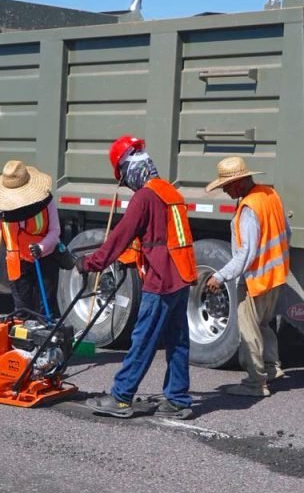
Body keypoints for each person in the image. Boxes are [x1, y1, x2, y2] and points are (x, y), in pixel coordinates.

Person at [77, 135, 197, 420]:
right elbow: (155, 237)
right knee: (177, 340)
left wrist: (91, 263)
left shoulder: (145, 197)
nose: (127, 185)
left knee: (143, 337)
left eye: (124, 177)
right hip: (181, 273)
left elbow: (121, 235)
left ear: (130, 169)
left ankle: (121, 397)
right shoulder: (169, 191)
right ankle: (178, 399)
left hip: (162, 278)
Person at [205, 156, 291, 397]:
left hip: (256, 279)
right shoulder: (270, 196)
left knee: (249, 330)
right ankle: (272, 368)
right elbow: (288, 232)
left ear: (239, 183)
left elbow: (246, 253)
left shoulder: (249, 208)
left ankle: (255, 383)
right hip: (275, 274)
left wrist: (220, 276)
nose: (224, 191)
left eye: (226, 186)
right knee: (263, 325)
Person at [0, 159, 72, 318]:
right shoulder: (2, 206)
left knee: (45, 311)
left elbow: (55, 231)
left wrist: (41, 247)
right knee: (21, 312)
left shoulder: (45, 201)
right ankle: (22, 342)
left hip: (44, 260)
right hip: (17, 263)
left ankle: (46, 339)